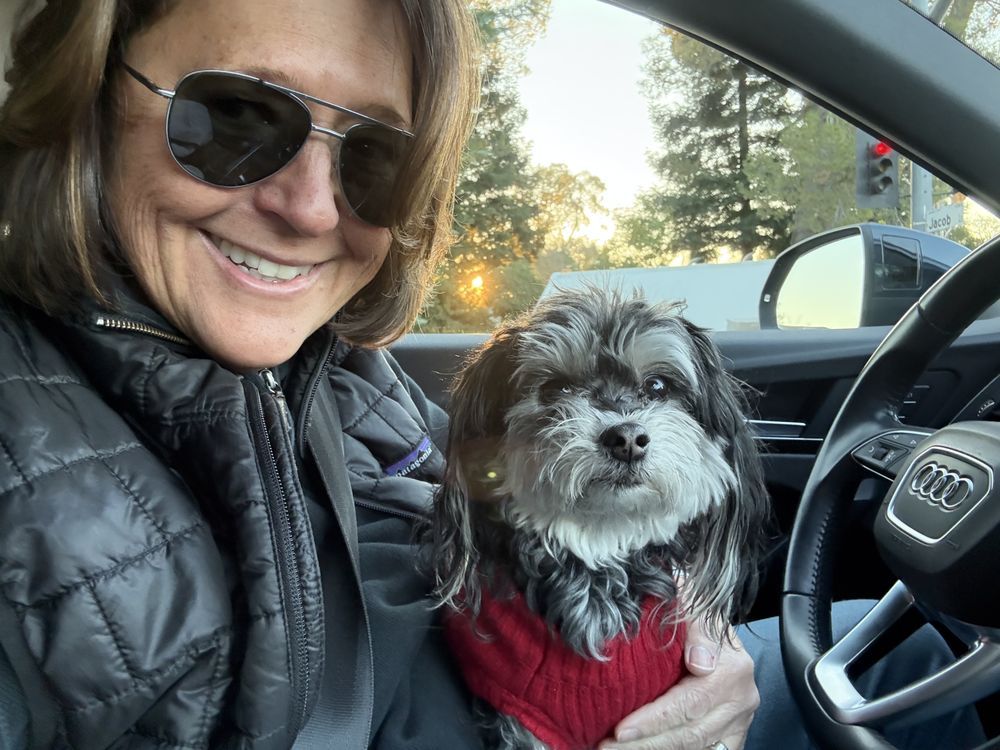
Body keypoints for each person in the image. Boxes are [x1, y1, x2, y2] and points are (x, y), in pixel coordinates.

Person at [0, 1, 983, 749]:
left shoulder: (329, 362)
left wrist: (704, 655)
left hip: (598, 687)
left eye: (377, 161)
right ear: (86, 92)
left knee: (889, 642)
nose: (309, 207)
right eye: (231, 119)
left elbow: (477, 502)